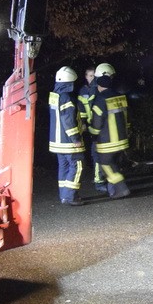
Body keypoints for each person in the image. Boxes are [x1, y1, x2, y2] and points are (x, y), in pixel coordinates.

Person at [88, 62, 131, 199]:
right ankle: (117, 190)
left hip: (107, 141)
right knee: (114, 164)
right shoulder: (120, 96)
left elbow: (96, 123)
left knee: (105, 164)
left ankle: (122, 188)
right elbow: (127, 117)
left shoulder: (100, 99)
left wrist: (92, 134)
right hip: (122, 139)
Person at [48, 66, 85, 206]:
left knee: (63, 167)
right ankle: (70, 196)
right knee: (77, 166)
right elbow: (68, 120)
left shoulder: (54, 96)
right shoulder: (67, 98)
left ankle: (64, 195)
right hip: (68, 142)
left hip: (56, 142)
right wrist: (76, 138)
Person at [76, 66, 105, 192]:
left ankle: (100, 179)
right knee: (95, 153)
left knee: (97, 153)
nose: (92, 78)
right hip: (89, 126)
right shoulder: (83, 91)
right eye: (90, 76)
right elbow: (81, 109)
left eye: (94, 75)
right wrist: (83, 123)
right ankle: (99, 179)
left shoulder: (97, 89)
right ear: (86, 77)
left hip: (99, 125)